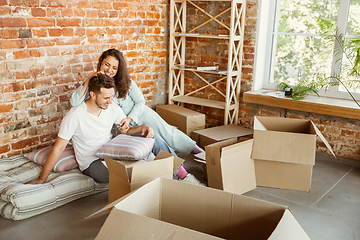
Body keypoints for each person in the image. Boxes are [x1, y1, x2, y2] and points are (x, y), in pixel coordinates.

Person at [27, 73, 202, 185]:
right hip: (93, 163)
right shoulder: (75, 116)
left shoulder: (111, 107)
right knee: (141, 170)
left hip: (114, 150)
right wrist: (42, 179)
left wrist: (143, 128)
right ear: (93, 94)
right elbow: (58, 149)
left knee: (153, 140)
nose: (110, 101)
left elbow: (125, 131)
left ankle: (184, 177)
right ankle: (175, 188)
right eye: (106, 98)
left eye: (112, 97)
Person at [70, 49, 204, 157]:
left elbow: (140, 101)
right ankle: (175, 165)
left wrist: (130, 118)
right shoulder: (94, 85)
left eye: (114, 67)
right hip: (123, 126)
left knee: (167, 131)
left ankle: (197, 150)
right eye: (107, 64)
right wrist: (90, 78)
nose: (110, 70)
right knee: (156, 141)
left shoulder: (125, 81)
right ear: (100, 62)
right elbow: (74, 102)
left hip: (140, 114)